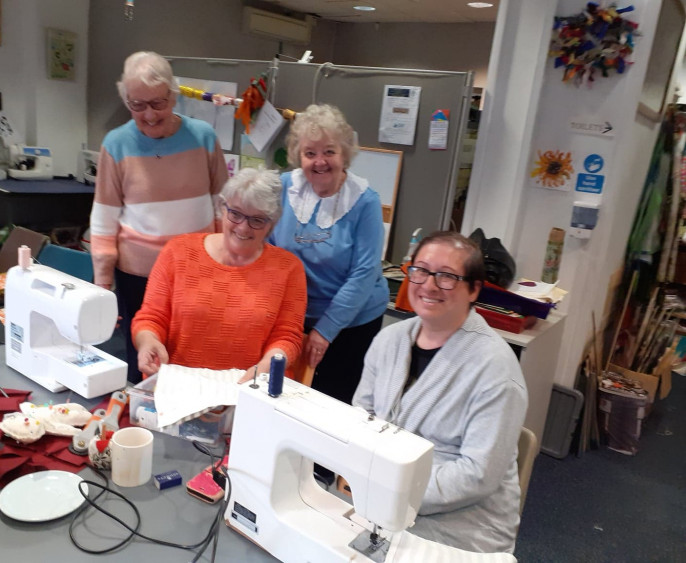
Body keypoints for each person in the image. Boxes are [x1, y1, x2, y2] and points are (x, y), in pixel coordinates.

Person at [353, 231, 528, 554]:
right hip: (384, 502)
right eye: (420, 270)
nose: (429, 285)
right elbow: (361, 418)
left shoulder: (496, 370)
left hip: (463, 525)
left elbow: (477, 475)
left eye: (446, 276)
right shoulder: (389, 340)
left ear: (474, 289)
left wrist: (393, 490)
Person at [90, 51, 228, 383]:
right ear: (126, 100)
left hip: (197, 270)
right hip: (138, 274)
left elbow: (225, 206)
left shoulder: (204, 137)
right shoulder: (116, 144)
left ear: (174, 96)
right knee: (146, 361)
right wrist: (102, 286)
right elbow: (104, 219)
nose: (149, 115)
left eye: (158, 103)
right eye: (138, 105)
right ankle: (143, 428)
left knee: (193, 356)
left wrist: (228, 263)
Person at [132, 168, 306, 381]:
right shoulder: (178, 252)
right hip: (176, 387)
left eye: (257, 220)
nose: (243, 227)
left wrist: (265, 369)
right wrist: (147, 340)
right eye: (236, 213)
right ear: (222, 208)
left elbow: (287, 337)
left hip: (248, 391)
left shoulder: (289, 269)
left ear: (271, 224)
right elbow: (151, 317)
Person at [269, 104, 389, 405]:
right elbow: (268, 249)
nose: (320, 161)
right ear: (299, 155)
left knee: (332, 405)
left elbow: (363, 274)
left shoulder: (364, 202)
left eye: (329, 152)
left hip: (352, 323)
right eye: (310, 153)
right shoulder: (285, 188)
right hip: (294, 318)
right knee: (287, 400)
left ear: (345, 154)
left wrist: (325, 331)